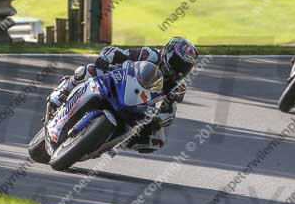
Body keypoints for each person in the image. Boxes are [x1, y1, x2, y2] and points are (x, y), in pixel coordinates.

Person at [47, 37, 199, 153]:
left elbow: (169, 113)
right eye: (177, 62)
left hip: (138, 106)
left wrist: (157, 121)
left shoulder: (177, 87)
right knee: (88, 70)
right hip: (117, 81)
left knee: (157, 140)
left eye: (185, 67)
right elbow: (117, 52)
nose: (179, 69)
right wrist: (105, 59)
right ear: (168, 53)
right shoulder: (150, 54)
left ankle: (110, 143)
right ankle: (61, 93)